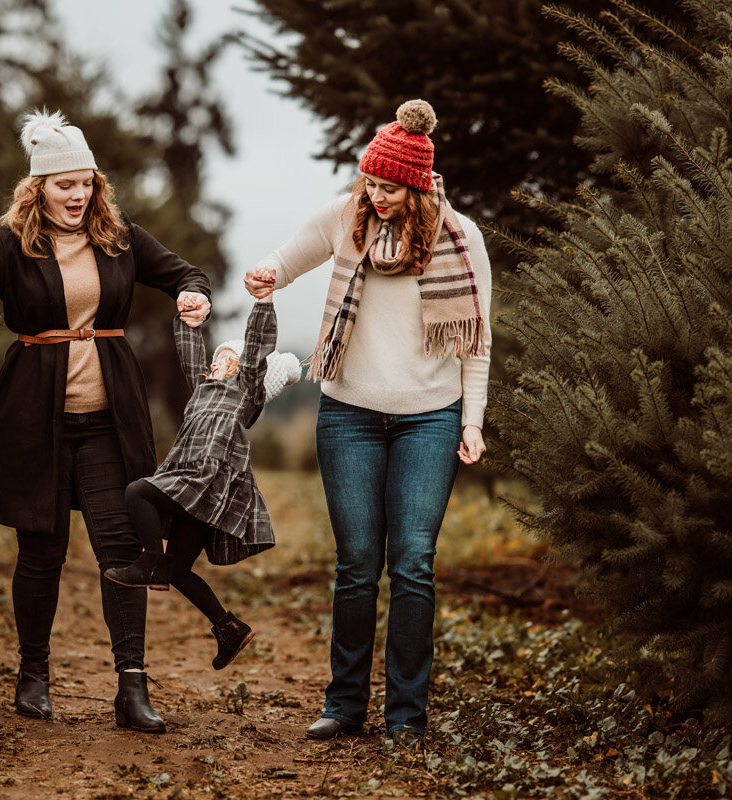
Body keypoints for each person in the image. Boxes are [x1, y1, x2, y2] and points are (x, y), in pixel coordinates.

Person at [0, 110, 212, 734]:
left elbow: (184, 272)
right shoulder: (10, 242)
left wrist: (191, 294)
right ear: (38, 187)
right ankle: (33, 675)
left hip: (108, 421)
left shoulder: (119, 236)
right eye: (65, 185)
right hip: (33, 421)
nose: (78, 195)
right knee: (41, 553)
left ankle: (131, 688)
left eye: (86, 184)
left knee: (122, 548)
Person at [243, 100, 491, 748]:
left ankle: (406, 714)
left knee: (412, 562)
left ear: (414, 185)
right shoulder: (346, 218)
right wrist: (268, 272)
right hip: (349, 414)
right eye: (370, 183)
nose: (375, 196)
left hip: (429, 422)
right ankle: (345, 704)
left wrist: (472, 422)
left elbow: (477, 344)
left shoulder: (461, 239)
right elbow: (290, 257)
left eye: (388, 187)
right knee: (357, 563)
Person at [104, 284, 301, 672]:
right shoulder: (202, 389)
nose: (215, 362)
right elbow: (189, 353)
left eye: (225, 358)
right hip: (191, 481)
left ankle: (149, 562)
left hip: (206, 480)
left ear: (241, 367)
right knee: (178, 570)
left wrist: (264, 303)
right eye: (216, 357)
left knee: (137, 492)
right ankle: (229, 627)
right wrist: (188, 320)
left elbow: (257, 346)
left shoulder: (246, 392)